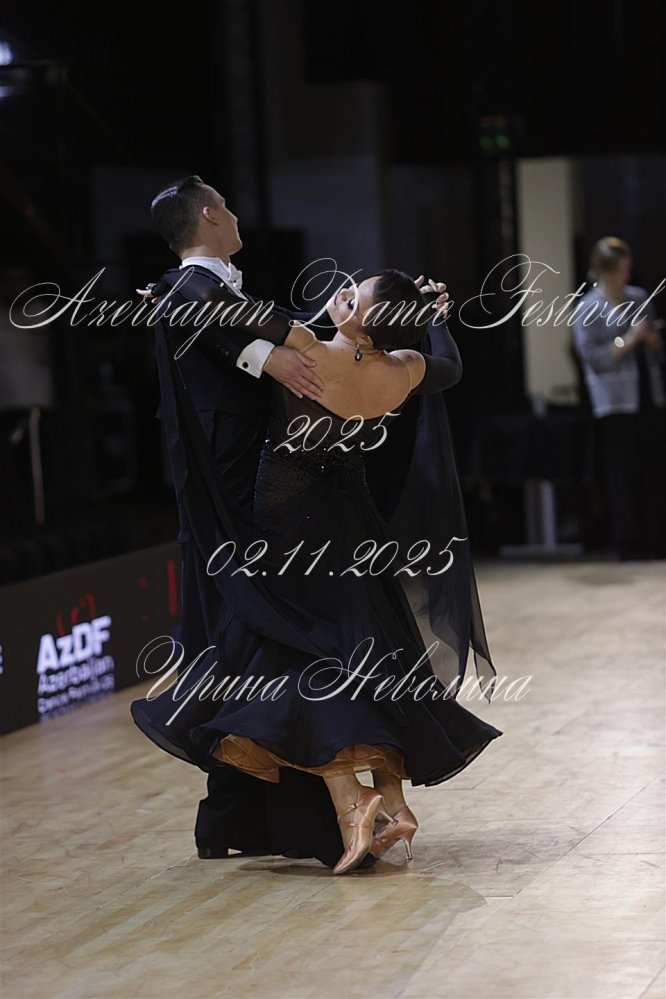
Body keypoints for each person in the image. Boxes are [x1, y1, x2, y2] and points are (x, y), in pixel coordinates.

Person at [131, 244, 503, 873]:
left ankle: (354, 803)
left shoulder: (308, 349)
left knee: (295, 660)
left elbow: (232, 316)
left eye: (353, 298)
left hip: (287, 531)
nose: (342, 292)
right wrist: (436, 318)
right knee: (373, 655)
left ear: (365, 327)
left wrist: (172, 299)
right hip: (353, 528)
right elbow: (451, 367)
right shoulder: (403, 370)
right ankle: (391, 802)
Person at [572, 237, 665, 559]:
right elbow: (592, 357)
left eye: (627, 269)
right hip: (614, 399)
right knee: (621, 472)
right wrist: (630, 339)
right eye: (619, 270)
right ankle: (627, 543)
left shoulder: (638, 297)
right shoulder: (588, 307)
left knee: (653, 469)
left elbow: (657, 348)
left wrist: (652, 339)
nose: (626, 276)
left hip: (648, 394)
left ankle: (656, 539)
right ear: (604, 271)